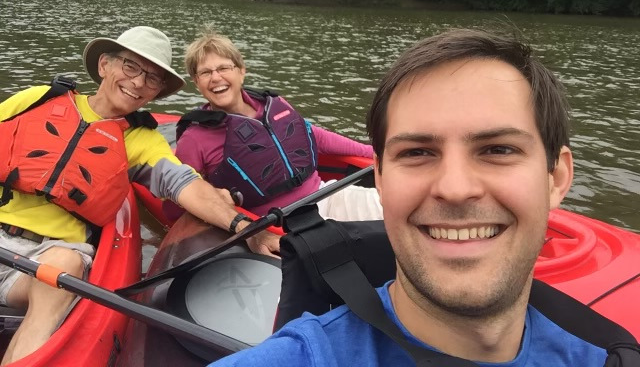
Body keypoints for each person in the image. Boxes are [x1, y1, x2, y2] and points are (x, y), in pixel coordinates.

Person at [207, 28, 617, 366]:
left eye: (498, 149)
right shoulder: (299, 358)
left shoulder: (609, 356)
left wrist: (376, 151)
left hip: (321, 193)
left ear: (556, 178)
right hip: (287, 214)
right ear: (380, 178)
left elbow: (318, 140)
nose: (455, 189)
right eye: (416, 152)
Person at [0, 26, 279, 365]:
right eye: (130, 66)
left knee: (64, 267)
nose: (137, 82)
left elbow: (186, 186)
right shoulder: (40, 98)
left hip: (46, 258)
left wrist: (245, 228)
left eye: (152, 78)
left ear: (157, 93)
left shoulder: (141, 141)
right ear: (105, 65)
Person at [162, 29, 382, 224]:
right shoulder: (195, 138)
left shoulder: (274, 105)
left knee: (391, 208)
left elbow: (315, 136)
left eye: (223, 68)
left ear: (241, 71)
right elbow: (176, 206)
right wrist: (214, 198)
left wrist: (374, 151)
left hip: (325, 195)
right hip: (272, 224)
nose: (216, 77)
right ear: (196, 82)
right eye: (205, 72)